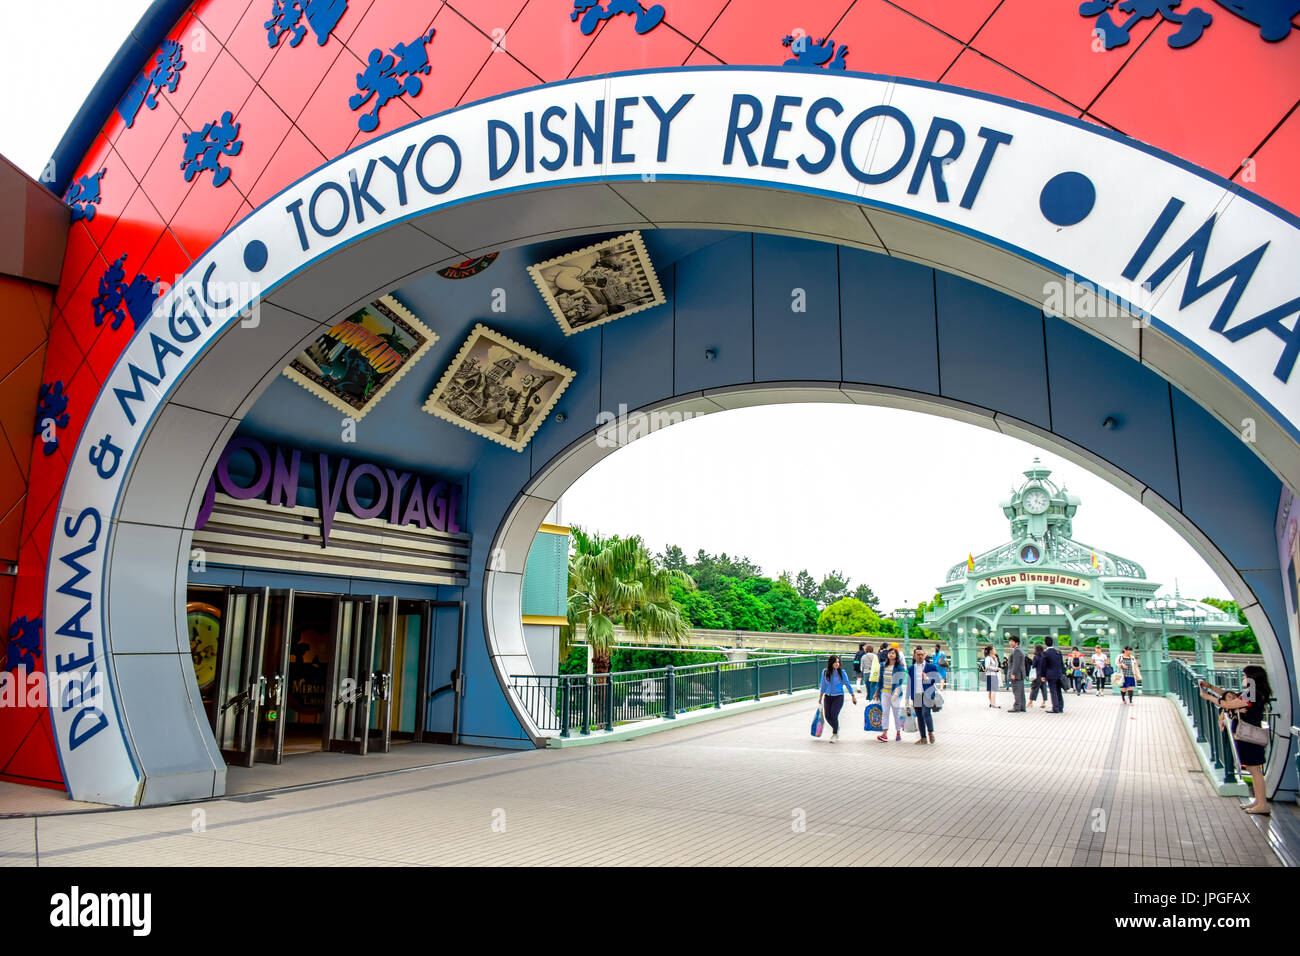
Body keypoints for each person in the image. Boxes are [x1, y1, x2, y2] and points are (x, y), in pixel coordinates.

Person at [1200, 665, 1272, 814]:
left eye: (1245, 676)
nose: (1243, 678)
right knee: (1253, 769)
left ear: (1252, 678)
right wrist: (1210, 686)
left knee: (1255, 770)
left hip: (1249, 736)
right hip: (1246, 735)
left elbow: (1227, 703)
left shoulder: (1253, 694)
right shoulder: (1252, 692)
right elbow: (1229, 695)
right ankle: (1258, 801)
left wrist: (1208, 697)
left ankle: (1262, 804)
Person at [817, 654, 858, 742]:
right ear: (831, 663)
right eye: (835, 662)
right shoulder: (825, 672)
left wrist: (853, 695)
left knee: (834, 715)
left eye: (838, 662)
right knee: (828, 716)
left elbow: (847, 684)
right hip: (828, 697)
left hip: (838, 697)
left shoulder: (841, 672)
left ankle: (834, 734)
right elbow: (823, 685)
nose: (837, 664)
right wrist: (820, 697)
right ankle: (836, 727)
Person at [907, 647, 941, 744]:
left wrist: (927, 677)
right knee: (919, 716)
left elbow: (937, 679)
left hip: (927, 694)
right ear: (914, 656)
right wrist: (909, 697)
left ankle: (930, 733)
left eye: (922, 654)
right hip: (916, 695)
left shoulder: (931, 667)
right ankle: (923, 737)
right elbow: (910, 683)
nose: (920, 656)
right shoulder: (911, 669)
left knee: (926, 713)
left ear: (924, 655)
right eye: (918, 655)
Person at [876, 646, 907, 742]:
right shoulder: (883, 665)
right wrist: (877, 692)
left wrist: (896, 694)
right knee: (885, 713)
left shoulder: (899, 668)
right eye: (889, 653)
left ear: (896, 655)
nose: (891, 654)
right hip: (884, 692)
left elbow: (899, 681)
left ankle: (898, 733)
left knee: (896, 714)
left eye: (893, 653)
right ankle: (884, 733)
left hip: (895, 694)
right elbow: (880, 679)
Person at [1041, 636, 1065, 713]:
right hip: (1058, 674)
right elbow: (1062, 664)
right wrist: (1063, 673)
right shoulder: (1058, 652)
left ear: (1045, 643)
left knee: (1053, 691)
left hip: (1050, 675)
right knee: (1058, 691)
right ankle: (1060, 707)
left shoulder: (1045, 653)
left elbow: (1043, 665)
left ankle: (1055, 708)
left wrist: (1043, 675)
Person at [1007, 635, 1027, 712]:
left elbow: (1016, 663)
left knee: (1017, 691)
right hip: (1020, 674)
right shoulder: (1020, 650)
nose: (1010, 643)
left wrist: (1013, 674)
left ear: (1016, 643)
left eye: (1012, 641)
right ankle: (1022, 706)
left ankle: (1017, 707)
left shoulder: (1016, 650)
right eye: (1010, 641)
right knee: (1021, 691)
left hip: (1016, 675)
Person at [1028, 644, 1050, 709]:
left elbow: (1034, 665)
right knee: (1043, 688)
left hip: (1037, 675)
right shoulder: (1044, 656)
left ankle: (1030, 702)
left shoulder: (1036, 657)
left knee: (1034, 688)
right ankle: (1044, 702)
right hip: (1044, 675)